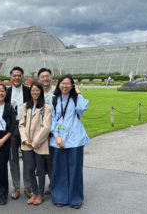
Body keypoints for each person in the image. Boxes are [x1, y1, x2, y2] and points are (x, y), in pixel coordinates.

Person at [50, 74, 90, 209]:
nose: (65, 86)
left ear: (72, 85)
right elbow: (52, 120)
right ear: (58, 84)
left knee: (75, 170)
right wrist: (57, 136)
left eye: (68, 83)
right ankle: (60, 197)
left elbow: (82, 108)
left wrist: (78, 92)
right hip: (59, 139)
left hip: (75, 139)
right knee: (59, 170)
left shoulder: (76, 99)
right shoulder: (54, 100)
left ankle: (76, 198)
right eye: (62, 83)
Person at [19, 82, 52, 205]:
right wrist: (25, 139)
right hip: (27, 144)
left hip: (40, 144)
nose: (35, 92)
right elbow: (21, 124)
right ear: (30, 92)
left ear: (41, 92)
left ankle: (40, 194)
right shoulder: (25, 106)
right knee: (30, 168)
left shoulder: (46, 108)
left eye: (37, 90)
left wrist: (36, 141)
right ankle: (34, 192)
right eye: (33, 90)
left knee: (41, 169)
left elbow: (46, 127)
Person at [5, 66, 32, 199]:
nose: (17, 77)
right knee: (13, 157)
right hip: (11, 127)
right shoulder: (6, 92)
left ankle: (27, 186)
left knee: (27, 157)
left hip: (26, 126)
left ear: (22, 77)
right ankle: (16, 187)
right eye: (14, 75)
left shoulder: (29, 90)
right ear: (11, 77)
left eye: (19, 75)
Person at [37, 68, 55, 195]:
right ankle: (41, 186)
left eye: (47, 76)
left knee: (50, 159)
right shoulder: (37, 92)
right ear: (39, 79)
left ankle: (53, 183)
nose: (45, 79)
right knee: (40, 160)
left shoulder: (56, 93)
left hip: (52, 131)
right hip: (39, 131)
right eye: (42, 77)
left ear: (51, 77)